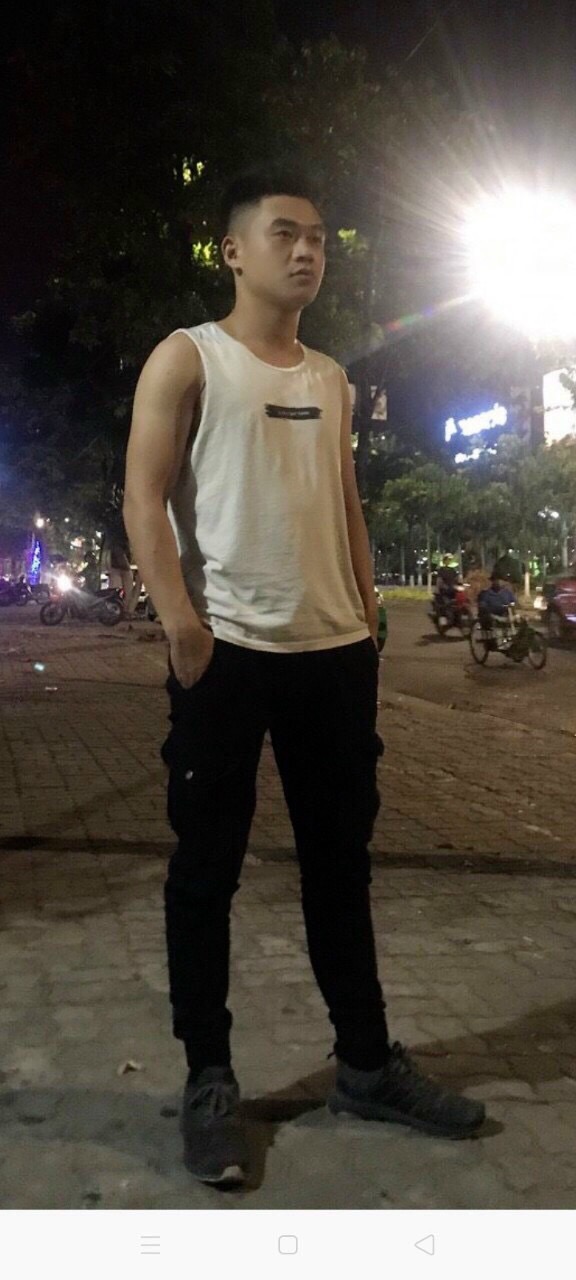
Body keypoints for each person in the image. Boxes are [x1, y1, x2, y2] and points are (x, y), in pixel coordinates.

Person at [124, 166, 485, 1187]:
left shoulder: (331, 377)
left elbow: (346, 500)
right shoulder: (187, 357)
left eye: (319, 237)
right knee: (206, 871)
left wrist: (368, 614)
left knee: (341, 865)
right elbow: (143, 497)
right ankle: (210, 1079)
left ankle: (365, 1063)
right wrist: (183, 627)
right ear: (234, 251)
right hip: (227, 652)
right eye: (284, 233)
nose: (307, 251)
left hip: (333, 657)